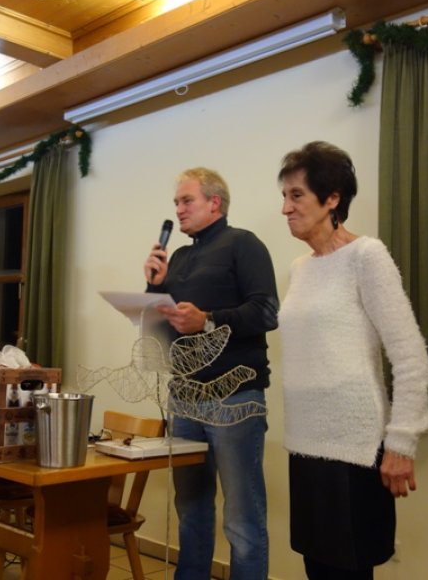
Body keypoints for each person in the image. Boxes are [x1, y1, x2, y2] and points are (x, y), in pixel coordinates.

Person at [276, 142, 428, 580]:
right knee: (317, 569)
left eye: (297, 195)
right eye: (284, 196)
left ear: (332, 199)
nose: (286, 208)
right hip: (306, 444)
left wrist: (402, 441)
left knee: (348, 571)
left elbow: (410, 355)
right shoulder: (300, 267)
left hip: (354, 448)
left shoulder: (367, 256)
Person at [144, 167, 279, 580]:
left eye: (187, 201)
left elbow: (266, 312)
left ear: (214, 202)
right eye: (176, 203)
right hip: (184, 399)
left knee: (242, 520)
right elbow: (160, 332)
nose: (179, 209)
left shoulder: (243, 244)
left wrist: (207, 320)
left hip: (234, 399)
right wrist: (154, 288)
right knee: (191, 511)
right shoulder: (179, 258)